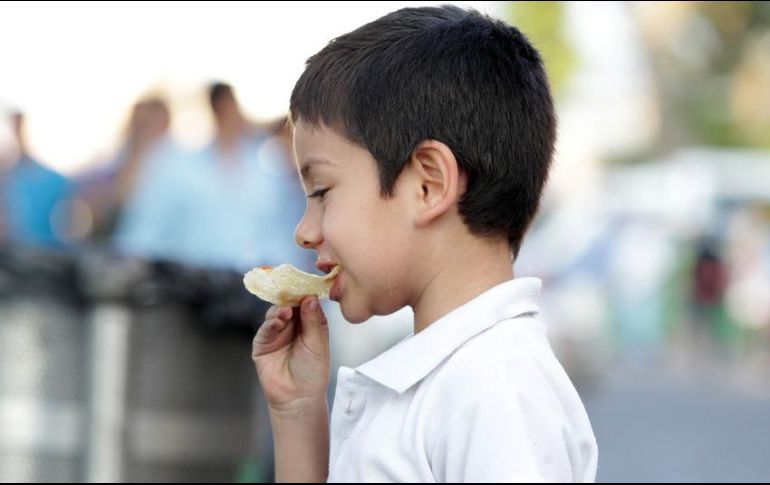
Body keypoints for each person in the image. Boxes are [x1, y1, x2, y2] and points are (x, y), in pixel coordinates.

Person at [251, 5, 598, 482]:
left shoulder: (496, 390)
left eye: (322, 193)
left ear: (428, 185)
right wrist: (297, 411)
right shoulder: (451, 378)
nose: (304, 232)